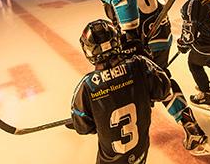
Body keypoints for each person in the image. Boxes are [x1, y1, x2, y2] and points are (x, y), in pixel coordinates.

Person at [73, 0, 210, 156]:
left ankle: (106, 121)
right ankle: (192, 128)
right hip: (161, 23)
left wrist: (130, 38)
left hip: (136, 30)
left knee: (121, 80)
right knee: (160, 79)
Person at [70, 19, 172, 164]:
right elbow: (163, 90)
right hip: (140, 155)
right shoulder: (140, 64)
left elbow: (83, 127)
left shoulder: (87, 86)